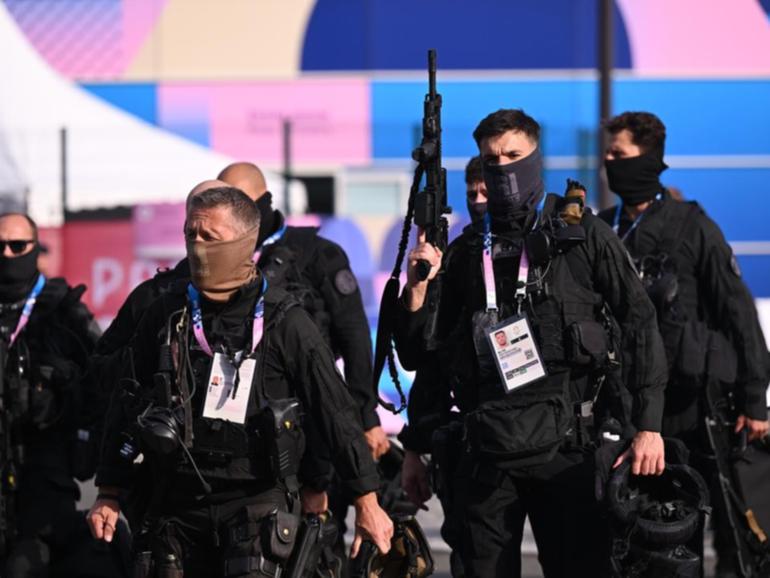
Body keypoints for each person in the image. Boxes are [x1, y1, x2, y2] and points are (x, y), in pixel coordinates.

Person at [396, 109, 668, 578]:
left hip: (569, 450)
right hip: (486, 451)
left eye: (513, 155)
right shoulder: (463, 255)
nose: (502, 167)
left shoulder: (584, 237)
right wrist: (416, 448)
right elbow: (426, 358)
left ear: (535, 156)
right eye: (492, 157)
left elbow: (640, 323)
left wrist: (649, 425)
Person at [87, 186, 393, 577]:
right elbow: (125, 400)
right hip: (176, 504)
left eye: (209, 237)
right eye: (190, 234)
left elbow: (334, 411)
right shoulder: (166, 311)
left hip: (257, 503)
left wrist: (366, 499)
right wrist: (108, 491)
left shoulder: (287, 321)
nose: (196, 245)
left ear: (245, 242)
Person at [598, 111, 770, 577]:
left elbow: (738, 313)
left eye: (620, 154)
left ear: (650, 158)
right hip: (629, 405)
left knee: (729, 530)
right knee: (645, 531)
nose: (609, 164)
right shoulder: (602, 228)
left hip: (696, 408)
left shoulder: (692, 225)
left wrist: (755, 400)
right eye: (607, 155)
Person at [0, 213, 117, 577]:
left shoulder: (65, 312)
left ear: (35, 249)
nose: (6, 254)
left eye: (17, 246)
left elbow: (104, 386)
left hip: (46, 474)